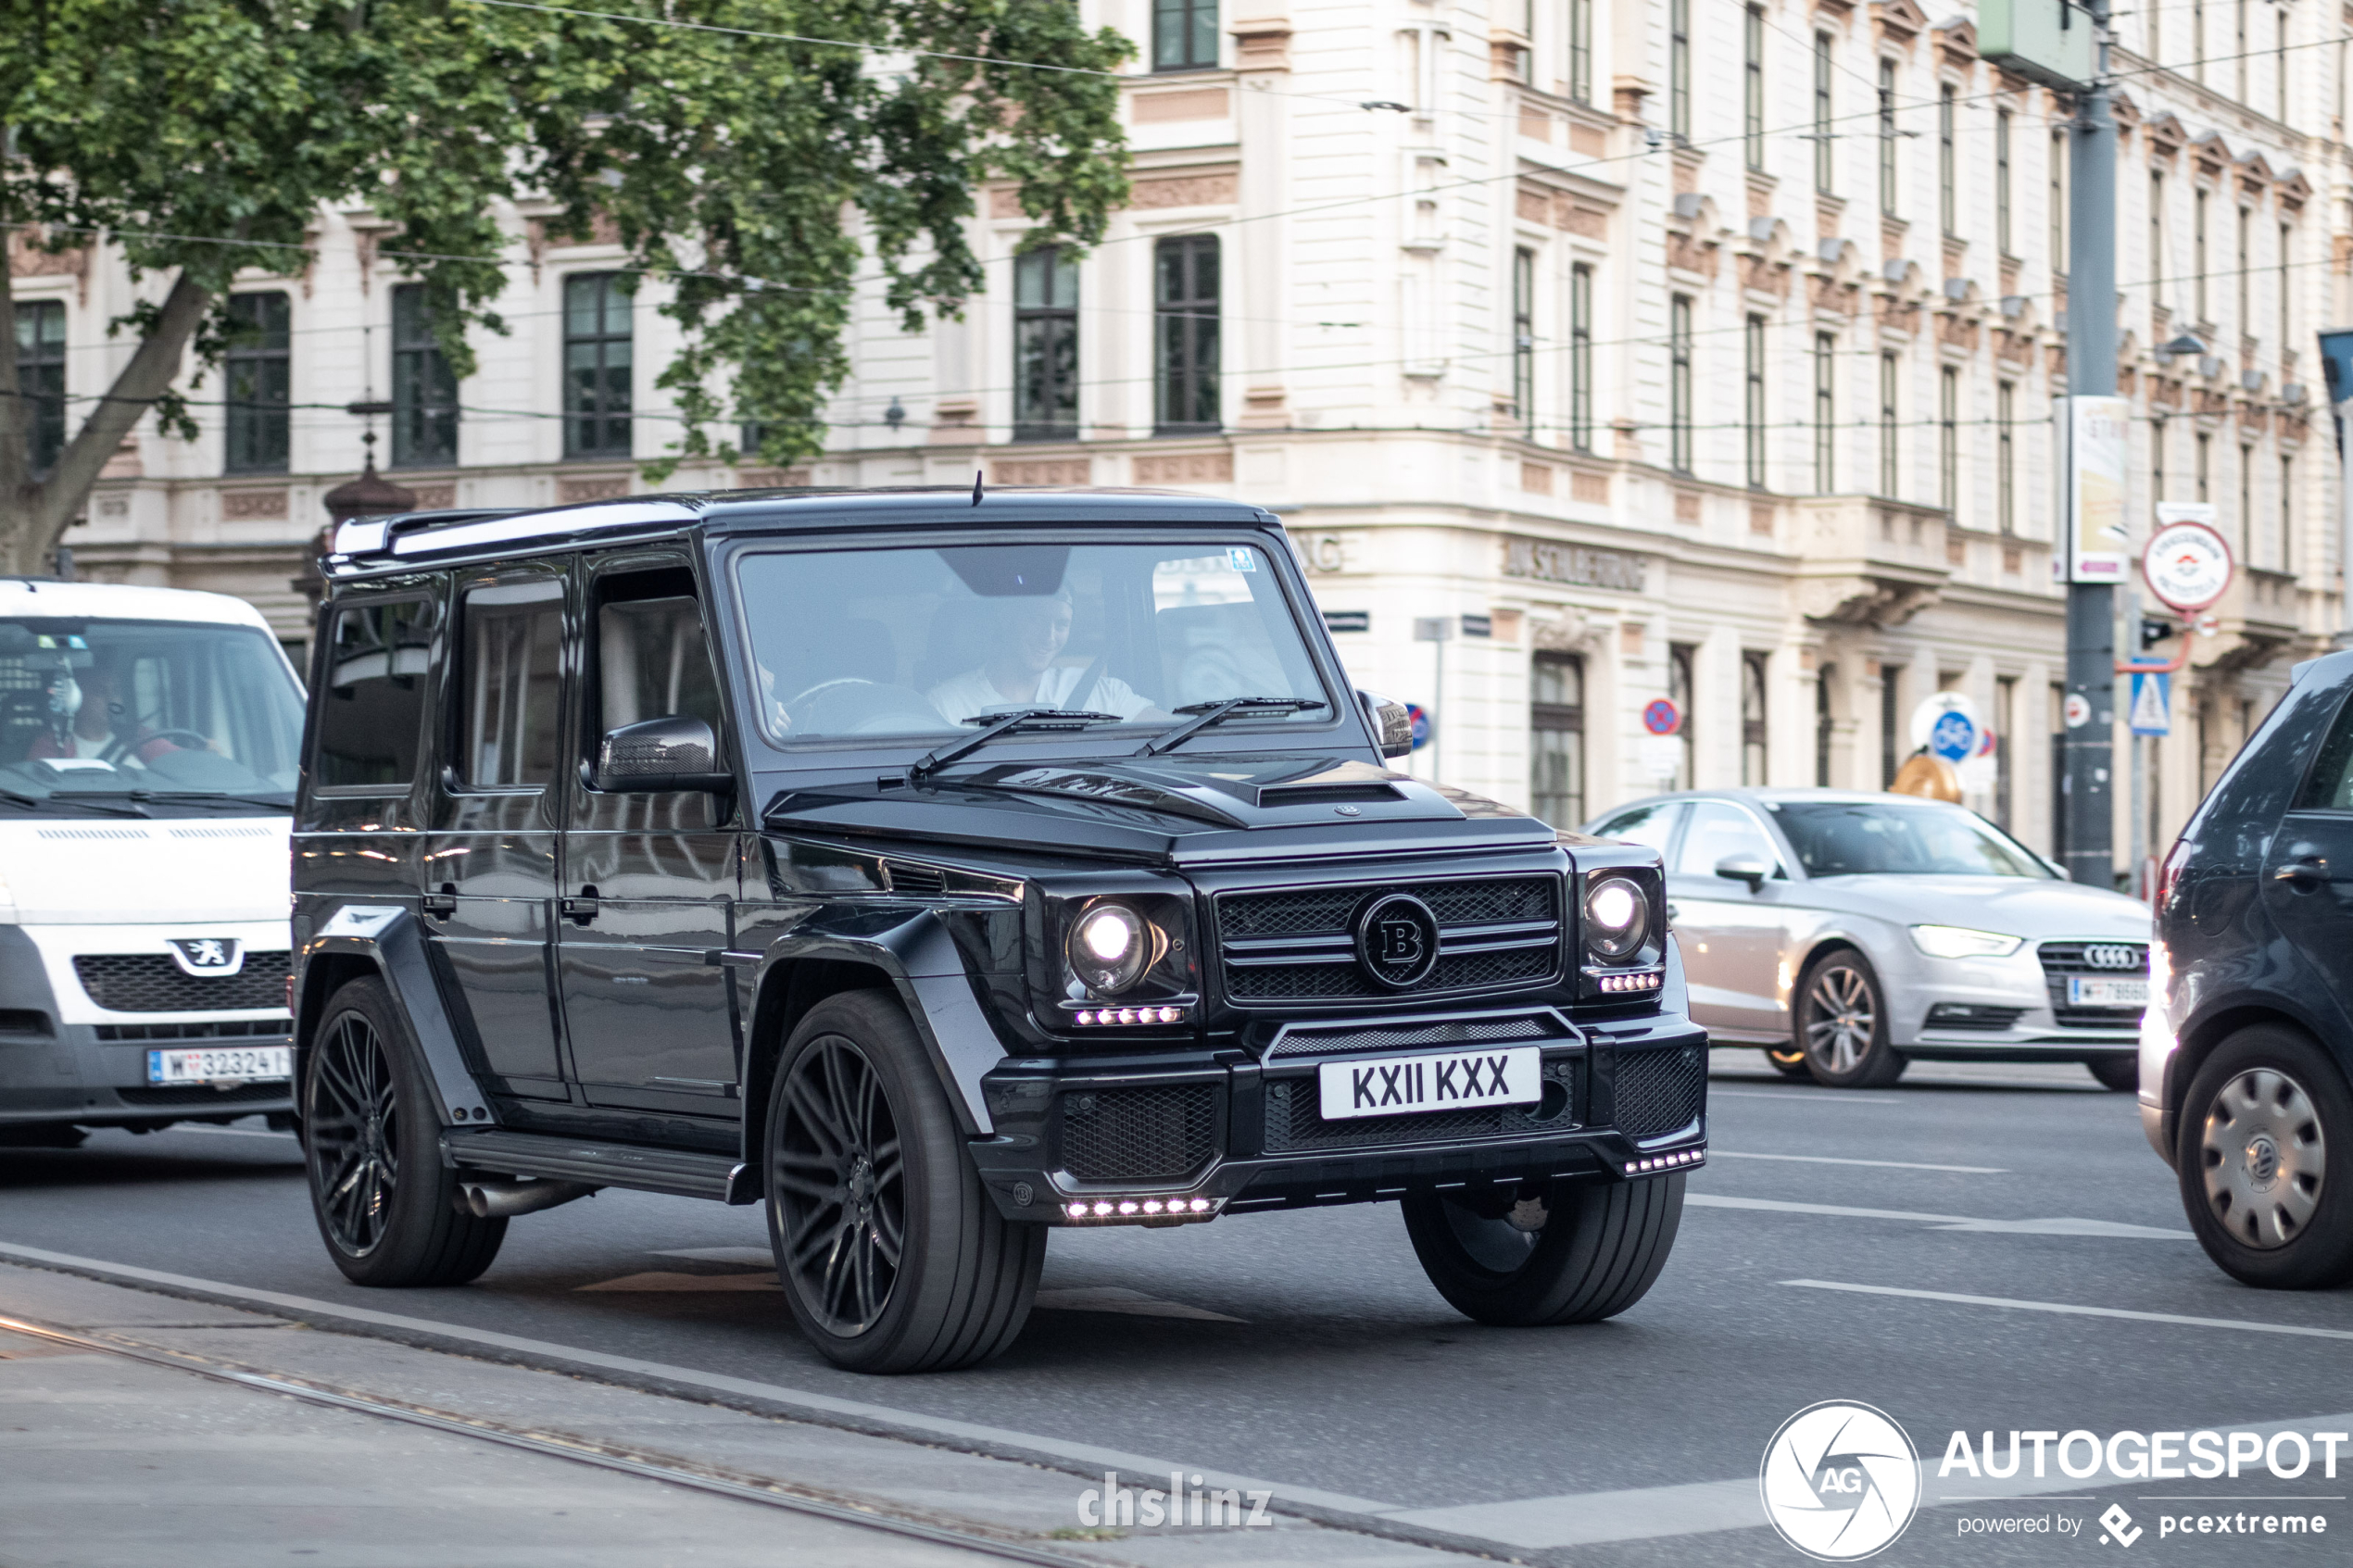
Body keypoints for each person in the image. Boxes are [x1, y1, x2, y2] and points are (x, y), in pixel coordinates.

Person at [925, 592, 1159, 723]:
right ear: (1007, 620)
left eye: (1061, 624)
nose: (1049, 637)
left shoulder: (1102, 692)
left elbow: (1170, 730)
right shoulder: (944, 706)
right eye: (1036, 619)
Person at [28, 658, 184, 766]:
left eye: (115, 692)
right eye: (100, 691)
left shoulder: (138, 737)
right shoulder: (53, 745)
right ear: (76, 699)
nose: (111, 700)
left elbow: (182, 761)